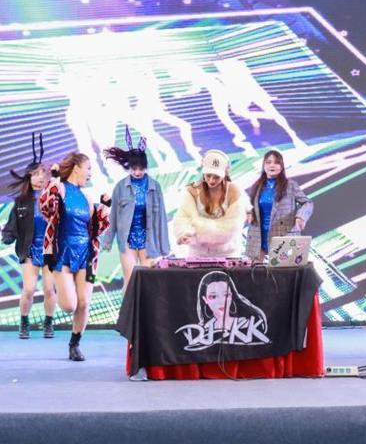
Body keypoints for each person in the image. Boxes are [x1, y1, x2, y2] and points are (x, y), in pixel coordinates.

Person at [41, 151, 110, 361]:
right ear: (77, 167)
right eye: (88, 168)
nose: (90, 173)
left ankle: (75, 344)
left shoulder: (86, 197)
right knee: (69, 305)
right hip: (62, 251)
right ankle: (57, 284)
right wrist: (54, 180)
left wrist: (105, 207)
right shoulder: (60, 188)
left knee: (84, 303)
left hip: (86, 253)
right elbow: (46, 207)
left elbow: (97, 229)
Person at [1, 133, 57, 339]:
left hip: (51, 250)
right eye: (35, 174)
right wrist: (7, 236)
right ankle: (24, 322)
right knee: (29, 289)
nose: (40, 177)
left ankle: (48, 323)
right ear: (29, 177)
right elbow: (12, 225)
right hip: (29, 250)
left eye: (43, 173)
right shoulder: (21, 202)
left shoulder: (55, 198)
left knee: (49, 289)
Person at [101, 130, 170, 288]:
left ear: (146, 167)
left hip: (149, 239)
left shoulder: (155, 186)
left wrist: (164, 246)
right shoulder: (120, 187)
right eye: (134, 168)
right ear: (129, 167)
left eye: (141, 168)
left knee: (148, 280)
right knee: (130, 280)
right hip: (127, 239)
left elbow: (161, 217)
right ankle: (127, 306)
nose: (137, 172)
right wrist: (107, 241)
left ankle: (147, 305)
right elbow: (114, 216)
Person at [173, 150, 249, 258]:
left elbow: (232, 228)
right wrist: (183, 234)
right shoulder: (192, 190)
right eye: (208, 175)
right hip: (197, 254)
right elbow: (182, 218)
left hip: (228, 254)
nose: (211, 180)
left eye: (216, 177)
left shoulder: (234, 190)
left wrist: (196, 227)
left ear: (225, 174)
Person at [244, 150, 314, 262]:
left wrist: (301, 216)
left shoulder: (290, 185)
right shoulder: (257, 186)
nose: (272, 165)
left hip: (282, 235)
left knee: (281, 271)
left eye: (276, 162)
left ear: (281, 166)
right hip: (258, 235)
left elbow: (307, 203)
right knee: (255, 270)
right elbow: (255, 207)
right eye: (268, 162)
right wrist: (250, 213)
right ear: (264, 166)